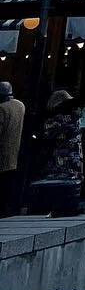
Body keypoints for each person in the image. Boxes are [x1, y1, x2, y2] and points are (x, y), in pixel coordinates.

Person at [33, 89, 84, 216]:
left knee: (61, 182)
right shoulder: (75, 116)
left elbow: (47, 134)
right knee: (73, 181)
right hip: (75, 156)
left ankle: (61, 207)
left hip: (62, 157)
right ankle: (71, 205)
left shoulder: (60, 119)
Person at [0, 81, 24, 218]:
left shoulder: (2, 109)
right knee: (10, 184)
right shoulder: (20, 105)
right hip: (16, 149)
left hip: (3, 152)